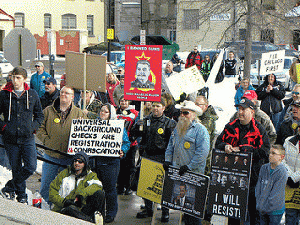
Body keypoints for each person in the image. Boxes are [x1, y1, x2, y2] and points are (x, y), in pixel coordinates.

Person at [215, 98, 270, 225]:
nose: (240, 112)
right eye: (239, 109)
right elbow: (218, 143)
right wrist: (225, 146)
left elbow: (265, 151)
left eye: (243, 109)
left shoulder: (259, 129)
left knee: (253, 213)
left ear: (252, 112)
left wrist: (244, 149)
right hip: (232, 178)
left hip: (252, 179)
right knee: (232, 214)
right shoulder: (230, 126)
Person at [0, 67, 44, 203]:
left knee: (31, 166)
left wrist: (33, 127)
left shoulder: (32, 94)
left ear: (24, 79)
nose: (15, 80)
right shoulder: (4, 95)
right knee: (16, 167)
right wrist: (4, 128)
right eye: (13, 77)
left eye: (18, 77)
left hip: (27, 137)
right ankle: (21, 196)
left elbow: (39, 115)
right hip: (10, 138)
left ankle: (10, 186)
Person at [36, 86, 87, 204]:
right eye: (62, 92)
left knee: (67, 186)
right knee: (46, 184)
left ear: (73, 97)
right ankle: (44, 207)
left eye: (67, 93)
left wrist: (82, 123)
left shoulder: (79, 113)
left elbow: (85, 133)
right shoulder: (48, 110)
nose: (64, 95)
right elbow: (39, 127)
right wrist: (46, 141)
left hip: (68, 158)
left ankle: (63, 209)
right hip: (50, 155)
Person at [164, 100, 209, 225]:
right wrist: (168, 161)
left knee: (194, 210)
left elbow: (202, 153)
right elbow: (170, 147)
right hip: (178, 174)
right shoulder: (177, 129)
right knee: (183, 208)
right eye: (181, 113)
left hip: (194, 175)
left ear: (193, 115)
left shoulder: (201, 131)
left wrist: (189, 167)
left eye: (186, 113)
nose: (182, 115)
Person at [131, 99, 177, 222]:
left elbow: (173, 143)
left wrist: (169, 159)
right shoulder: (145, 120)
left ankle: (165, 211)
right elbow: (133, 136)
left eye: (158, 106)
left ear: (163, 108)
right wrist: (136, 127)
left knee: (162, 185)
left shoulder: (169, 123)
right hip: (147, 155)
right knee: (146, 183)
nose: (155, 108)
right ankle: (148, 208)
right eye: (154, 106)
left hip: (162, 157)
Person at [90, 103, 130, 223]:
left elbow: (126, 143)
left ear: (111, 114)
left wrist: (122, 151)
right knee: (95, 188)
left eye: (106, 112)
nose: (102, 113)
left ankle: (111, 213)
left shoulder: (117, 126)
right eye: (101, 111)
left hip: (111, 163)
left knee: (110, 189)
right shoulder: (94, 124)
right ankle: (98, 211)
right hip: (96, 162)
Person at [49, 151, 105, 223]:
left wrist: (81, 195)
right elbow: (52, 193)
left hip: (81, 208)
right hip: (64, 208)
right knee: (70, 209)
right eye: (75, 161)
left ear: (85, 164)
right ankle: (91, 221)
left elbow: (97, 185)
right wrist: (64, 202)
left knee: (100, 194)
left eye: (80, 162)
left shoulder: (90, 175)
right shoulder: (64, 174)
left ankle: (96, 219)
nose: (77, 163)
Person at [255, 144, 288, 225]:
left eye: (274, 153)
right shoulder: (264, 168)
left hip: (275, 211)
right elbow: (258, 187)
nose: (270, 155)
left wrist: (263, 206)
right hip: (262, 208)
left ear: (281, 157)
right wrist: (259, 204)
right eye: (270, 153)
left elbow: (275, 195)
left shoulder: (282, 172)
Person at [116, 96, 139, 194]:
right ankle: (120, 187)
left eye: (125, 101)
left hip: (131, 144)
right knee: (120, 166)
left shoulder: (135, 113)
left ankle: (129, 187)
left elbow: (137, 128)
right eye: (121, 101)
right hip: (118, 144)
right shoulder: (115, 112)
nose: (123, 102)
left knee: (130, 166)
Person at [195, 95, 218, 175]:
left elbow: (200, 137)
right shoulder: (198, 116)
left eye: (198, 104)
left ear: (206, 106)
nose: (196, 106)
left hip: (203, 159)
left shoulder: (208, 120)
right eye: (195, 104)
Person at [282, 127, 300, 225]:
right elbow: (283, 159)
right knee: (290, 216)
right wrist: (289, 176)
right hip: (290, 185)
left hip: (295, 180)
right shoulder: (288, 141)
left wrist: (295, 177)